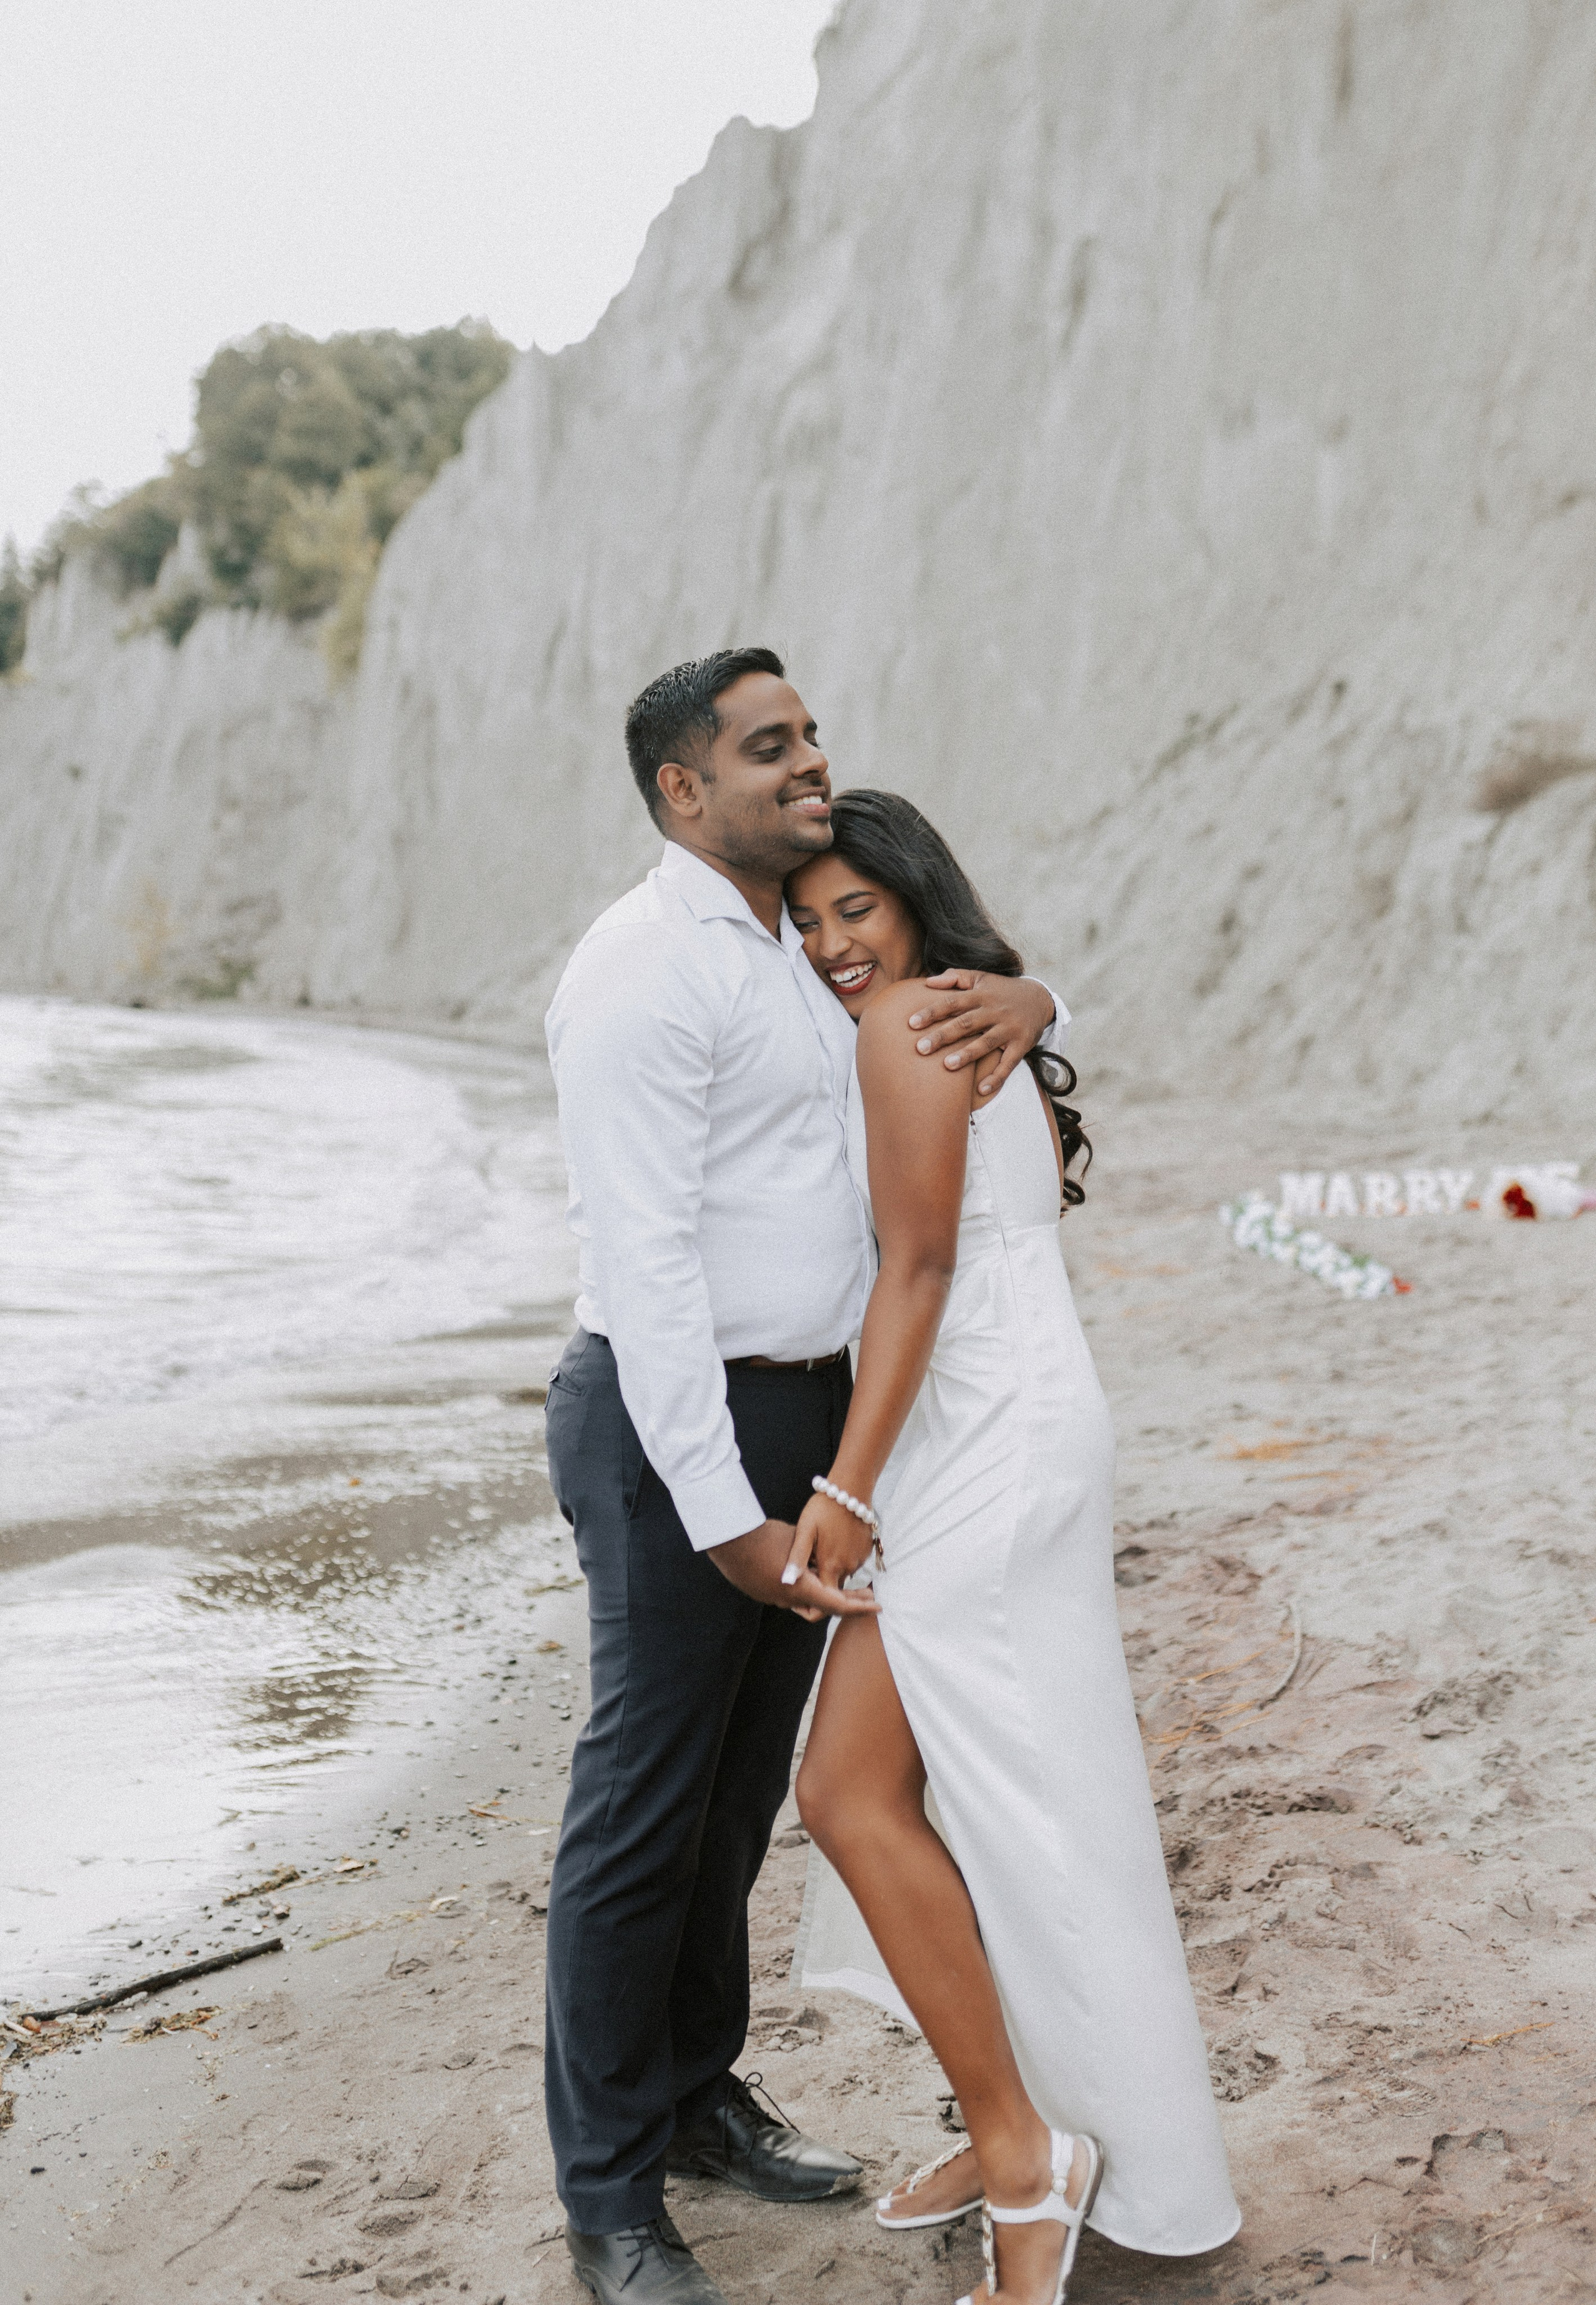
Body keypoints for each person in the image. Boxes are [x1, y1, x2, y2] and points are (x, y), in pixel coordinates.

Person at [542, 650, 1070, 2305]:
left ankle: (701, 2101)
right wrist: (726, 1517)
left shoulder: (800, 938)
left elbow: (941, 1016)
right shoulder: (640, 970)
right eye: (769, 748)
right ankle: (613, 2194)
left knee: (731, 1799)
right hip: (666, 1425)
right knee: (640, 1811)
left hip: (811, 1420)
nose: (809, 763)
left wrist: (1038, 997)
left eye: (812, 733)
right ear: (684, 791)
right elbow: (645, 1273)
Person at [783, 790, 1241, 2305]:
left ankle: (1028, 2150)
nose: (833, 942)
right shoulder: (977, 1013)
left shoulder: (911, 1024)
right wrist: (1043, 989)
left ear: (914, 898)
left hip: (973, 1444)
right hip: (1009, 1422)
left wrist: (840, 1493)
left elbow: (912, 1267)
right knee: (915, 1792)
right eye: (808, 921)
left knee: (903, 1795)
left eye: (855, 907)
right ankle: (1019, 2128)